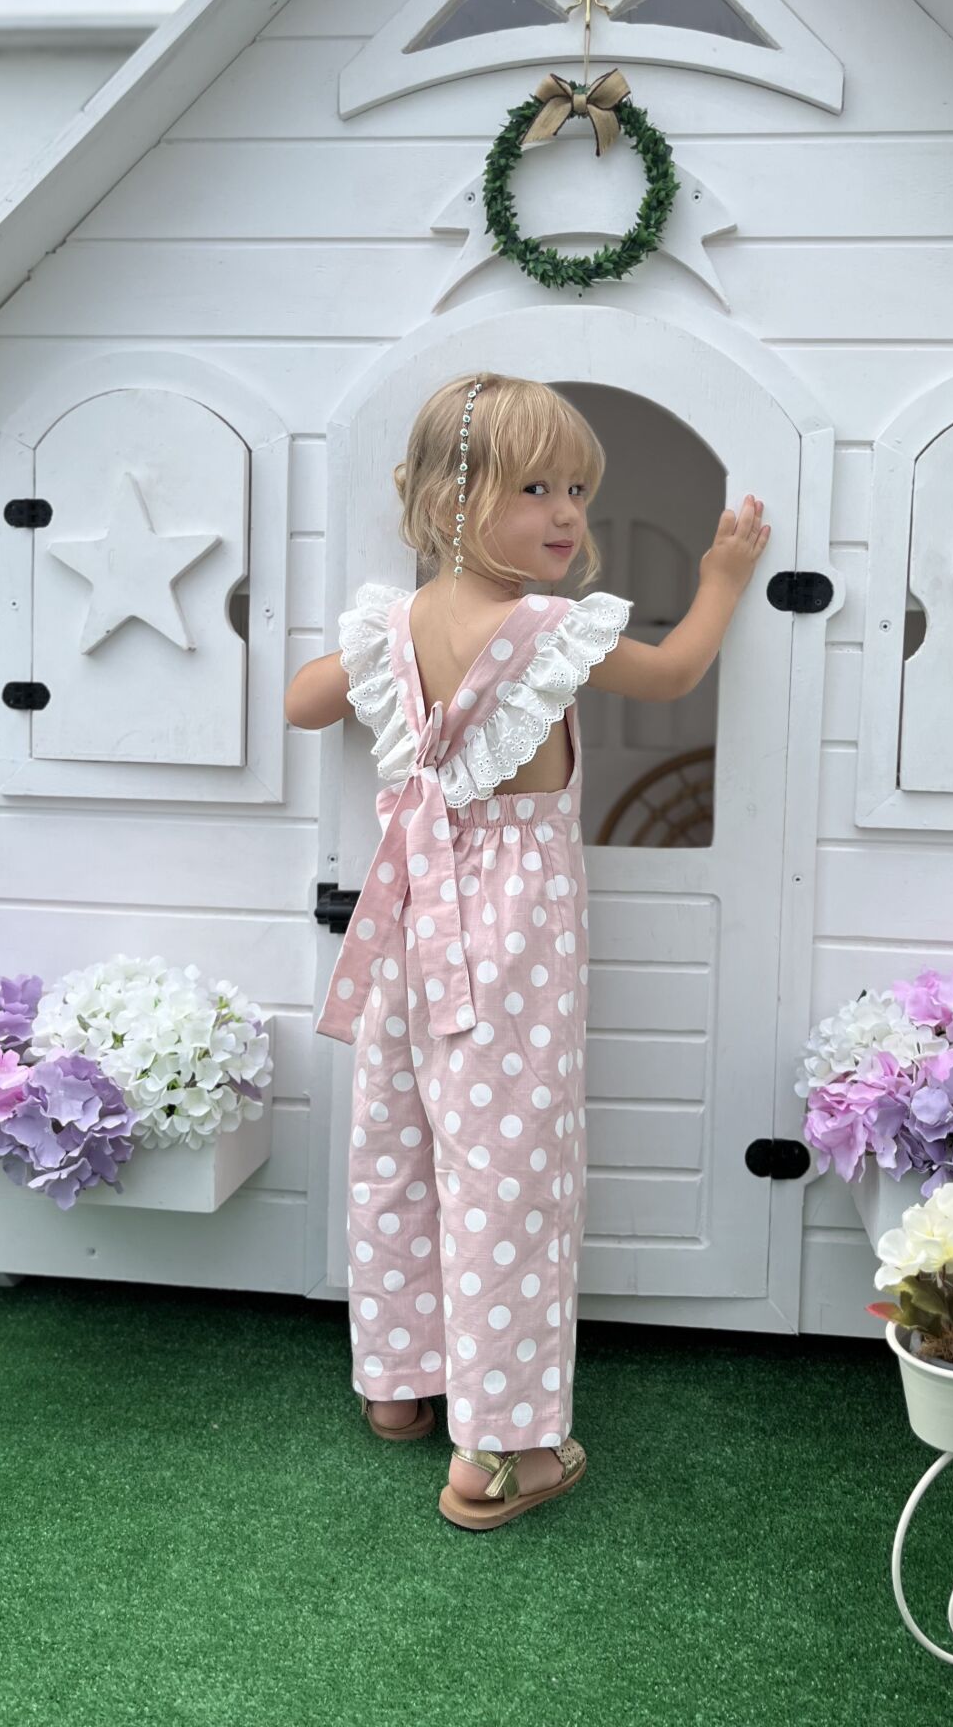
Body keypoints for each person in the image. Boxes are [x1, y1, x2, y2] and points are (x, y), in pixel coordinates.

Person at [284, 371, 769, 1528]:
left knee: (397, 1142)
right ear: (449, 499)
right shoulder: (551, 632)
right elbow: (675, 670)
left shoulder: (391, 626)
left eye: (578, 492)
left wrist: (378, 671)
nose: (567, 515)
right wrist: (721, 577)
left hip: (407, 909)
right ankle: (502, 1449)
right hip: (509, 929)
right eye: (536, 488)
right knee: (510, 1171)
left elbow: (304, 704)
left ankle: (400, 1379)